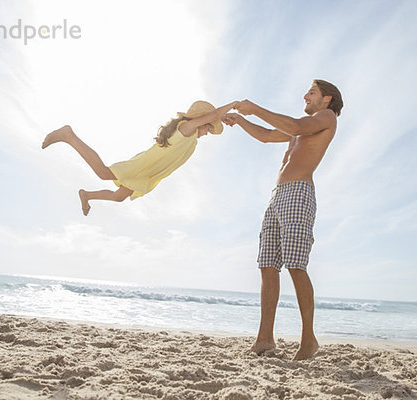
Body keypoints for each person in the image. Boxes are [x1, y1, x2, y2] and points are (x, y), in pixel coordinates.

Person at [222, 79, 343, 360]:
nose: (305, 95)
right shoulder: (299, 130)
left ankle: (309, 340)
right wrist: (240, 120)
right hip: (277, 196)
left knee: (296, 265)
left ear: (327, 99)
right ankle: (264, 339)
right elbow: (265, 135)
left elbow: (296, 126)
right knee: (267, 265)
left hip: (299, 193)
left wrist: (253, 107)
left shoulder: (326, 117)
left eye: (311, 92)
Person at [42, 100, 238, 215]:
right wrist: (232, 107)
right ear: (200, 122)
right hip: (145, 164)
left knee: (119, 197)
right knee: (103, 173)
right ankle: (69, 136)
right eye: (208, 128)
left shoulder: (192, 140)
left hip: (149, 172)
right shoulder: (186, 129)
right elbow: (212, 115)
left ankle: (87, 195)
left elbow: (212, 117)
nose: (207, 133)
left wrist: (220, 118)